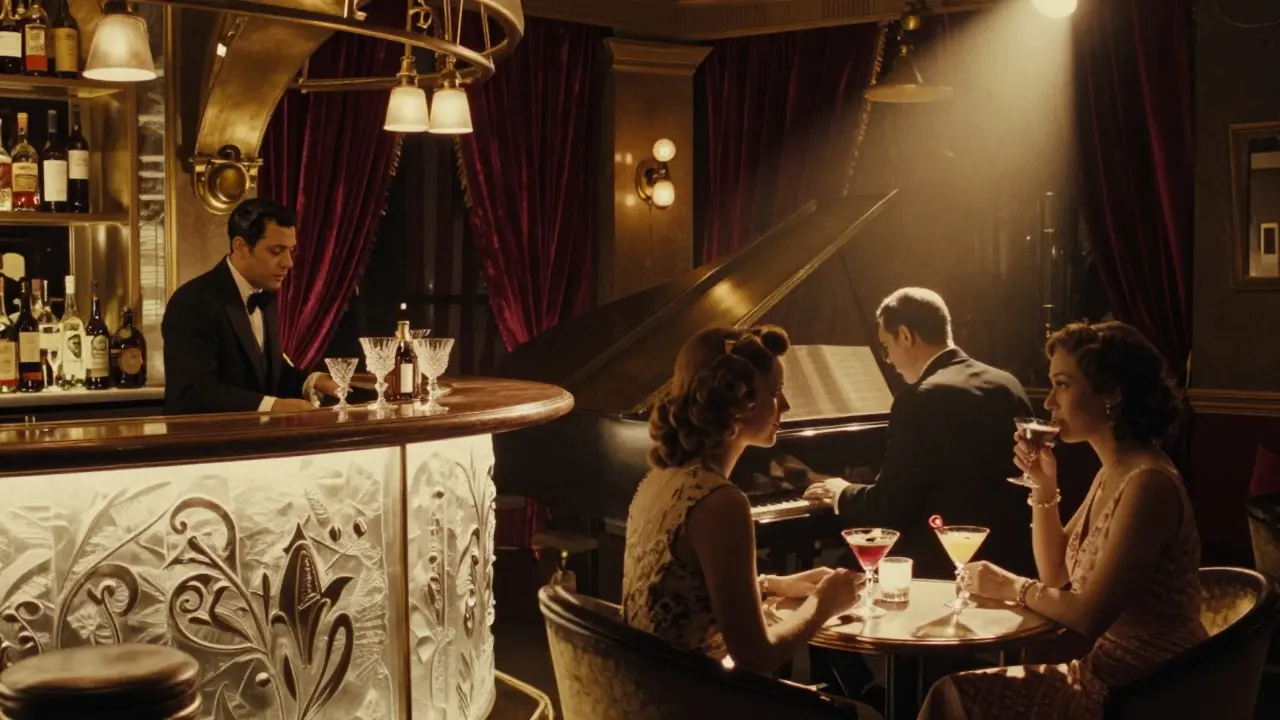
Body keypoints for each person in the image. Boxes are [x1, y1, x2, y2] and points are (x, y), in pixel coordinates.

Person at [919, 321, 1205, 719]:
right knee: (951, 693)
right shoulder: (1113, 471)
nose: (1049, 403)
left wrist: (1013, 587)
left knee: (957, 698)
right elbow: (1055, 573)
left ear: (1113, 393)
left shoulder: (1148, 485)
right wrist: (1043, 486)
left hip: (1149, 689)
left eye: (1063, 384)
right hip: (1104, 674)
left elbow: (1088, 616)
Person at [621, 325, 863, 674]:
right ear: (737, 401)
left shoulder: (659, 480)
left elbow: (687, 594)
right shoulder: (720, 501)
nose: (786, 405)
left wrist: (769, 585)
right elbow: (756, 657)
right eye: (776, 391)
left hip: (647, 690)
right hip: (691, 701)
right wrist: (823, 604)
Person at [803, 288, 1035, 580]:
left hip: (939, 565)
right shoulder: (1007, 384)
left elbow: (886, 509)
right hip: (1011, 557)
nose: (888, 360)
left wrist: (841, 491)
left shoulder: (920, 398)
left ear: (905, 335)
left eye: (886, 347)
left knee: (833, 575)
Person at [162, 198, 338, 415]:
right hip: (207, 444)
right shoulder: (192, 301)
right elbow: (194, 393)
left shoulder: (265, 296)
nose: (288, 262)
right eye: (276, 251)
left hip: (257, 442)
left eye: (291, 250)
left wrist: (312, 381)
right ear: (241, 247)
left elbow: (267, 373)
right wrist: (274, 406)